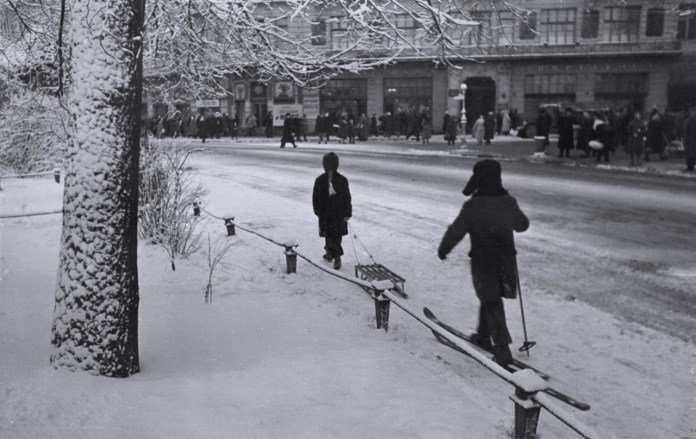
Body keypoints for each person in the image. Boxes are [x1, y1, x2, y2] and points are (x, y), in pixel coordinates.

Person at [437, 159, 529, 367]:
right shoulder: (508, 201)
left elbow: (456, 231)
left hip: (483, 260)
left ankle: (502, 346)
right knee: (492, 297)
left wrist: (444, 249)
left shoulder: (473, 205)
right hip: (506, 259)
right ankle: (483, 335)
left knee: (490, 298)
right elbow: (523, 225)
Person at [312, 153, 352, 270]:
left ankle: (337, 256)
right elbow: (347, 198)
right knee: (333, 234)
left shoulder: (321, 180)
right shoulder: (341, 180)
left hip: (330, 214)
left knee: (331, 234)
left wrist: (317, 210)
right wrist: (347, 212)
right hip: (334, 213)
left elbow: (315, 198)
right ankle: (330, 252)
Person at [683, 106, 696, 172]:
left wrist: (684, 140)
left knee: (689, 153)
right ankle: (692, 165)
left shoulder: (688, 120)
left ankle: (690, 167)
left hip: (689, 140)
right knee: (693, 153)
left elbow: (685, 130)